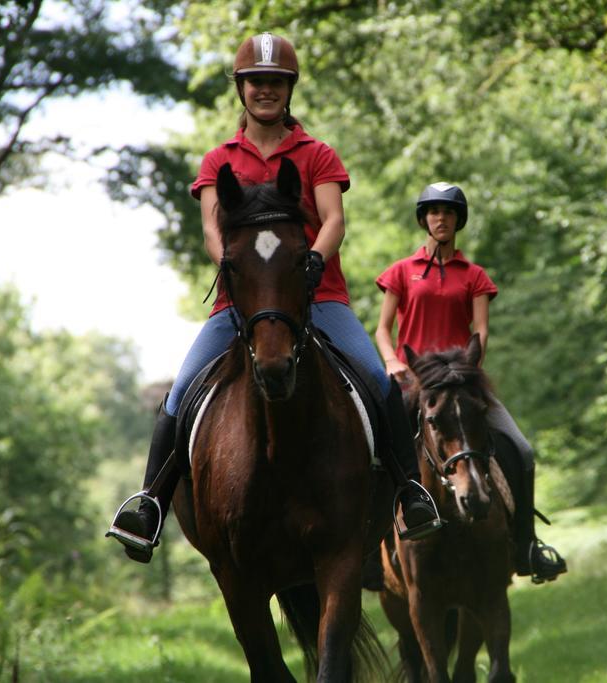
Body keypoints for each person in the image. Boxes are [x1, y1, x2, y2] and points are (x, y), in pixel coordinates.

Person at [107, 32, 440, 564]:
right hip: (238, 303)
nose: (266, 91)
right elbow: (213, 227)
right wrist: (226, 265)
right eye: (257, 82)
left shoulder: (316, 154)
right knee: (181, 394)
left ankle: (407, 493)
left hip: (318, 296)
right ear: (242, 88)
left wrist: (314, 259)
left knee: (377, 381)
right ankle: (149, 505)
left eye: (276, 83)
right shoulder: (219, 160)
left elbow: (333, 219)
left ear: (289, 89)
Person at [374, 182, 568, 583]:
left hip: (461, 383)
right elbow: (382, 329)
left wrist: (466, 371)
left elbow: (481, 331)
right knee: (370, 453)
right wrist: (393, 361)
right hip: (413, 384)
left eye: (447, 212)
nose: (440, 219)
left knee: (523, 450)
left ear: (458, 220)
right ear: (424, 219)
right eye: (433, 212)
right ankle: (366, 551)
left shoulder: (474, 275)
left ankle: (526, 547)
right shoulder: (401, 272)